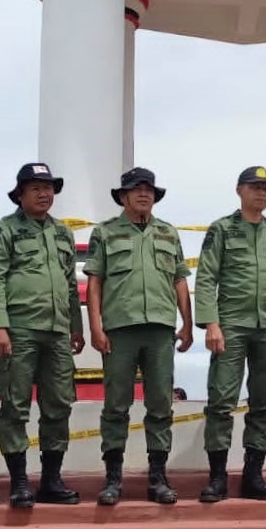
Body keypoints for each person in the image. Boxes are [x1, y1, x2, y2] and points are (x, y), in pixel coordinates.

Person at [195, 166, 266, 503]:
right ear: (239, 190)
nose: (261, 193)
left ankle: (253, 476)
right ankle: (217, 478)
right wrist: (211, 324)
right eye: (255, 187)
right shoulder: (222, 230)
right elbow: (206, 278)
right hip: (231, 326)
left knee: (263, 403)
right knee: (221, 401)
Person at [84, 167, 194, 507]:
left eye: (149, 189)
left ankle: (157, 478)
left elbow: (179, 279)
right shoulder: (105, 232)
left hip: (161, 328)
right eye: (136, 189)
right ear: (123, 196)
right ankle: (113, 478)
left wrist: (187, 324)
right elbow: (96, 282)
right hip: (119, 328)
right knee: (115, 405)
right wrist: (96, 328)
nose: (144, 194)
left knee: (160, 403)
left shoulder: (168, 233)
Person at [0, 162, 85, 508]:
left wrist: (75, 327)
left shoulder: (62, 233)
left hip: (57, 332)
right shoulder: (4, 230)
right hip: (19, 331)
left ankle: (51, 480)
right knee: (15, 406)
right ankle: (20, 482)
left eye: (49, 187)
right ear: (20, 193)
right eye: (36, 188)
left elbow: (70, 284)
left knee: (59, 406)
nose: (44, 193)